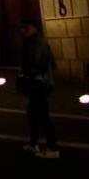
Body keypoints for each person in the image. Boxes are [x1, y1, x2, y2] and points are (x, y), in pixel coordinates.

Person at [18, 19, 59, 158]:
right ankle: (34, 144)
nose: (22, 31)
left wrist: (28, 77)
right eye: (21, 28)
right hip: (38, 84)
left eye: (25, 27)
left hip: (39, 85)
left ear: (33, 28)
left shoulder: (36, 43)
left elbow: (37, 65)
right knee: (33, 114)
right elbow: (52, 64)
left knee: (42, 115)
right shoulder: (34, 42)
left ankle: (53, 148)